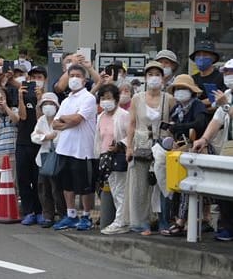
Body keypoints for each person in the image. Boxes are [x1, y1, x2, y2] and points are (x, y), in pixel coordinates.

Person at [125, 61, 175, 235]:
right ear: (145, 78)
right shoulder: (137, 98)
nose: (154, 78)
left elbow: (174, 122)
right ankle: (143, 222)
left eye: (157, 74)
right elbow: (131, 123)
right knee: (141, 185)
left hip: (163, 145)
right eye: (150, 74)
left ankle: (164, 221)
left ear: (163, 78)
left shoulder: (168, 98)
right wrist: (129, 147)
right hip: (142, 143)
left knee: (163, 184)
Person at [160, 74, 208, 237]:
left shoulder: (198, 106)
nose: (180, 92)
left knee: (189, 188)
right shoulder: (176, 109)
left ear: (191, 91)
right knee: (177, 187)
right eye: (177, 89)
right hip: (179, 151)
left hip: (197, 150)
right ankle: (179, 220)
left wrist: (179, 127)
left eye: (184, 89)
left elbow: (200, 124)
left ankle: (182, 222)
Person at [52, 64, 98, 231]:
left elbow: (77, 119)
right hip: (65, 148)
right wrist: (67, 120)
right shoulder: (66, 100)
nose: (74, 79)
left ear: (84, 80)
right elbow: (55, 124)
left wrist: (65, 119)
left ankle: (86, 216)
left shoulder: (88, 98)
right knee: (67, 185)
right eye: (71, 75)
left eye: (77, 75)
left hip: (83, 150)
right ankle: (71, 215)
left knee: (85, 186)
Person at [193, 61, 233, 241]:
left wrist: (225, 105)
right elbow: (216, 121)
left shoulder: (225, 99)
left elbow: (225, 111)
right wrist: (204, 139)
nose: (228, 75)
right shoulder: (226, 94)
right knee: (224, 187)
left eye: (231, 71)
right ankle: (226, 227)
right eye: (225, 72)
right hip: (229, 146)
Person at [94, 84, 131, 235]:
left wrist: (120, 145)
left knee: (120, 190)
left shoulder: (123, 115)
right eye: (103, 98)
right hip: (105, 158)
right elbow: (98, 139)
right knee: (115, 190)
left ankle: (121, 221)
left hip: (119, 157)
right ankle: (120, 220)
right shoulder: (101, 116)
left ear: (116, 99)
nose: (105, 101)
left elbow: (131, 135)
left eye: (109, 98)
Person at [31, 93, 66, 228]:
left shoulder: (60, 120)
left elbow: (61, 137)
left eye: (50, 104)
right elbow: (34, 136)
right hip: (43, 159)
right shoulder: (41, 120)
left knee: (57, 189)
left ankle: (63, 215)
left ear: (56, 106)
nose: (48, 107)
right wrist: (46, 137)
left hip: (57, 158)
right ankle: (48, 216)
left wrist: (45, 136)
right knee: (43, 189)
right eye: (45, 104)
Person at [17, 66, 47, 225]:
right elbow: (22, 116)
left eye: (39, 77)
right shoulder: (24, 94)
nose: (36, 80)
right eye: (33, 77)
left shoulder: (48, 98)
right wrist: (21, 98)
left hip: (40, 143)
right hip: (23, 142)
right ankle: (28, 211)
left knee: (38, 179)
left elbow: (40, 119)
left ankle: (40, 210)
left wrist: (40, 100)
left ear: (45, 79)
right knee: (23, 178)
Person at [190, 40, 225, 108]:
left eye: (205, 55)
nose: (201, 58)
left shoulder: (221, 77)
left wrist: (199, 103)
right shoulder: (192, 79)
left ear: (213, 58)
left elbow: (222, 98)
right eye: (198, 55)